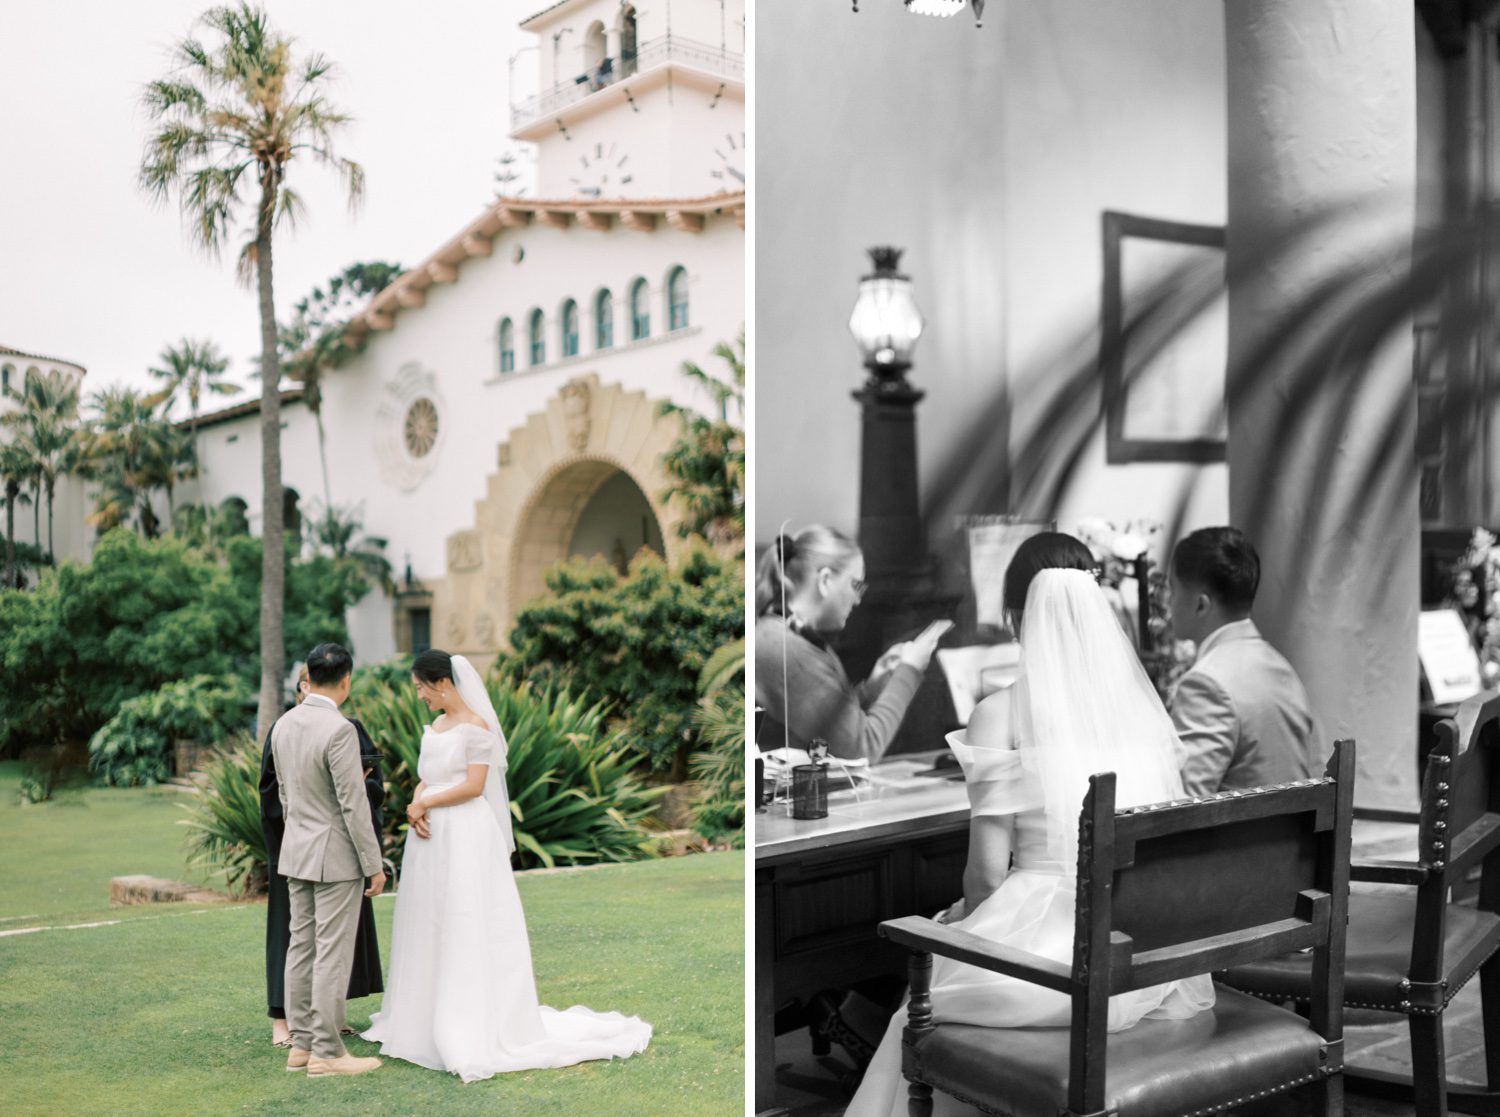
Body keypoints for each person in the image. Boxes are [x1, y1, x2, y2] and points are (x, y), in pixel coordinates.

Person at [847, 532, 1214, 1117]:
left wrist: (956, 922)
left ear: (1015, 617)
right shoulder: (1143, 716)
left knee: (919, 1006)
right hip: (1139, 958)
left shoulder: (999, 714)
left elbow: (987, 879)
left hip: (1052, 966)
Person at [362, 648, 651, 1082]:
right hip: (430, 839)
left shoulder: (477, 729)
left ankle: (466, 1019)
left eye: (422, 686)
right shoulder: (436, 726)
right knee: (427, 921)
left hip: (463, 834)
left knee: (463, 917)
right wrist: (417, 803)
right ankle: (419, 1016)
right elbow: (429, 773)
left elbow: (474, 786)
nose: (419, 694)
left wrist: (425, 803)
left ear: (442, 683)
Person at [271, 642, 387, 1078]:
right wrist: (373, 864)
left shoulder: (283, 725)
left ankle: (300, 1046)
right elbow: (353, 804)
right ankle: (326, 1052)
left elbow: (285, 794)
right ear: (346, 681)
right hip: (335, 855)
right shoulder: (339, 730)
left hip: (297, 850)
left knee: (300, 946)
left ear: (308, 676)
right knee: (332, 953)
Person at [754, 524, 944, 763]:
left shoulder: (787, 637)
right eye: (856, 585)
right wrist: (910, 670)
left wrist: (873, 687)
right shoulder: (786, 650)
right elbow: (863, 747)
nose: (858, 599)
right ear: (825, 580)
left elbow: (829, 728)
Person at [1167, 526, 1319, 798]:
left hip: (1238, 839)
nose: (1168, 603)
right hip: (1294, 835)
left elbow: (1182, 802)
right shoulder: (1282, 667)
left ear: (1201, 605)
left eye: (1173, 591)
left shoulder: (1207, 683)